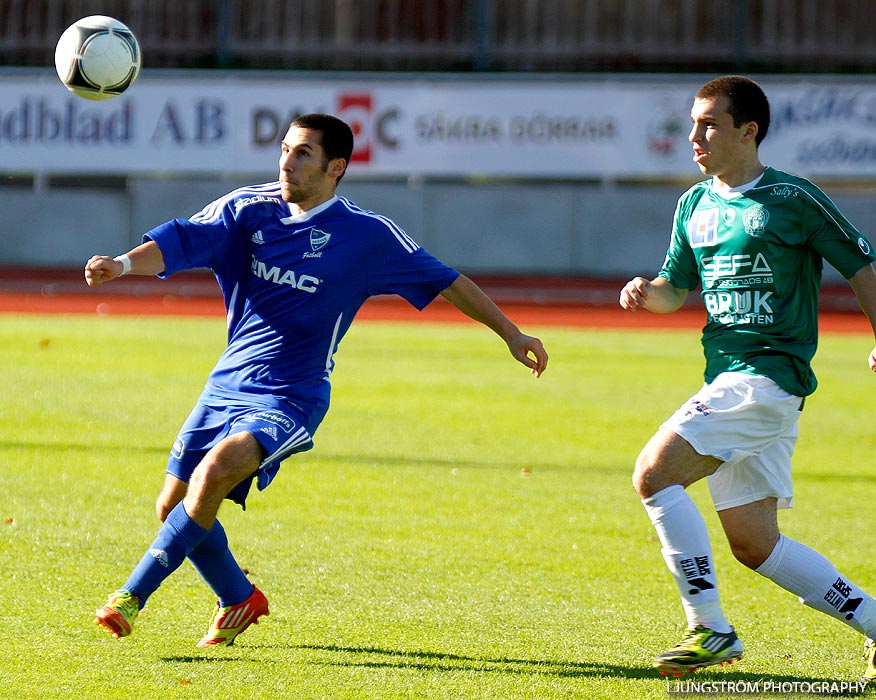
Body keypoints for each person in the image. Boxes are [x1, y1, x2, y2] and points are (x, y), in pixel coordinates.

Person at [86, 113, 548, 647]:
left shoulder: (368, 236)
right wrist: (120, 265)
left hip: (293, 395)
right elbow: (183, 241)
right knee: (174, 506)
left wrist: (512, 335)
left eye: (302, 153)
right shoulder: (246, 208)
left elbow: (449, 282)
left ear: (336, 167)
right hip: (226, 384)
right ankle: (239, 597)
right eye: (285, 149)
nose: (286, 161)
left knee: (216, 470)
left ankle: (131, 597)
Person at [619, 75, 876, 677]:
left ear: (748, 130)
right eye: (692, 123)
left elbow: (861, 266)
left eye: (709, 124)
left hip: (766, 377)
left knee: (654, 473)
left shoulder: (795, 199)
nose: (695, 136)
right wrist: (646, 293)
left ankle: (709, 628)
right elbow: (675, 288)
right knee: (755, 545)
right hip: (729, 379)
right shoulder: (694, 204)